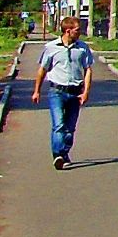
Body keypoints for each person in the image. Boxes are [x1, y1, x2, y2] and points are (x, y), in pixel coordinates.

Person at [32, 16, 96, 169]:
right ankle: (58, 155)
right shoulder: (51, 47)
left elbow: (88, 70)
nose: (80, 32)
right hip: (57, 91)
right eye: (77, 30)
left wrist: (86, 92)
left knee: (70, 128)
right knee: (59, 125)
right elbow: (42, 70)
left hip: (75, 92)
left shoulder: (82, 48)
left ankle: (64, 152)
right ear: (68, 31)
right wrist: (37, 91)